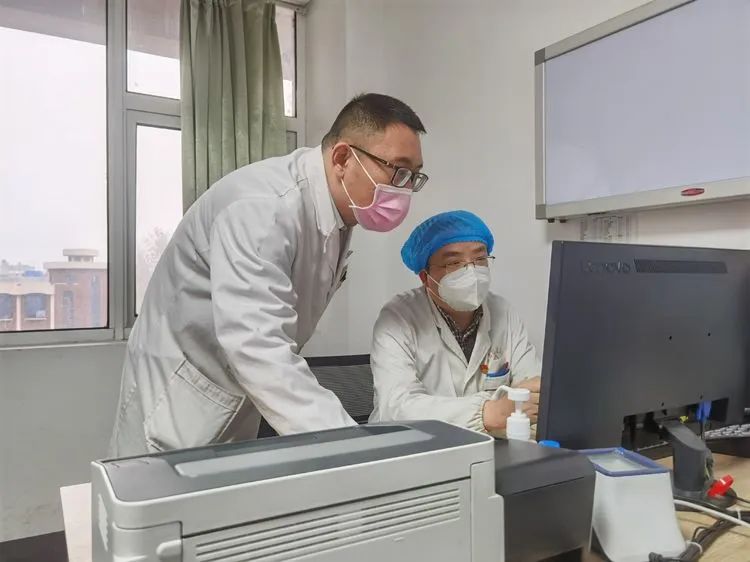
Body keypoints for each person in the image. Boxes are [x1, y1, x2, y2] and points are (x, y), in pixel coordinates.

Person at [110, 93, 428, 456]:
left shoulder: (334, 215)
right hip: (178, 399)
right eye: (398, 171)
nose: (405, 189)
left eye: (414, 177)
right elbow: (257, 345)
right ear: (342, 158)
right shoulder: (262, 208)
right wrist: (349, 445)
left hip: (236, 397)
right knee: (157, 488)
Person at [369, 210, 541, 437]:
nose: (471, 271)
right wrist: (486, 412)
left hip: (489, 446)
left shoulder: (503, 311)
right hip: (414, 445)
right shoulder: (398, 318)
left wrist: (529, 397)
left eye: (480, 259)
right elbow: (396, 408)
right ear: (425, 277)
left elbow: (533, 387)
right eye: (453, 263)